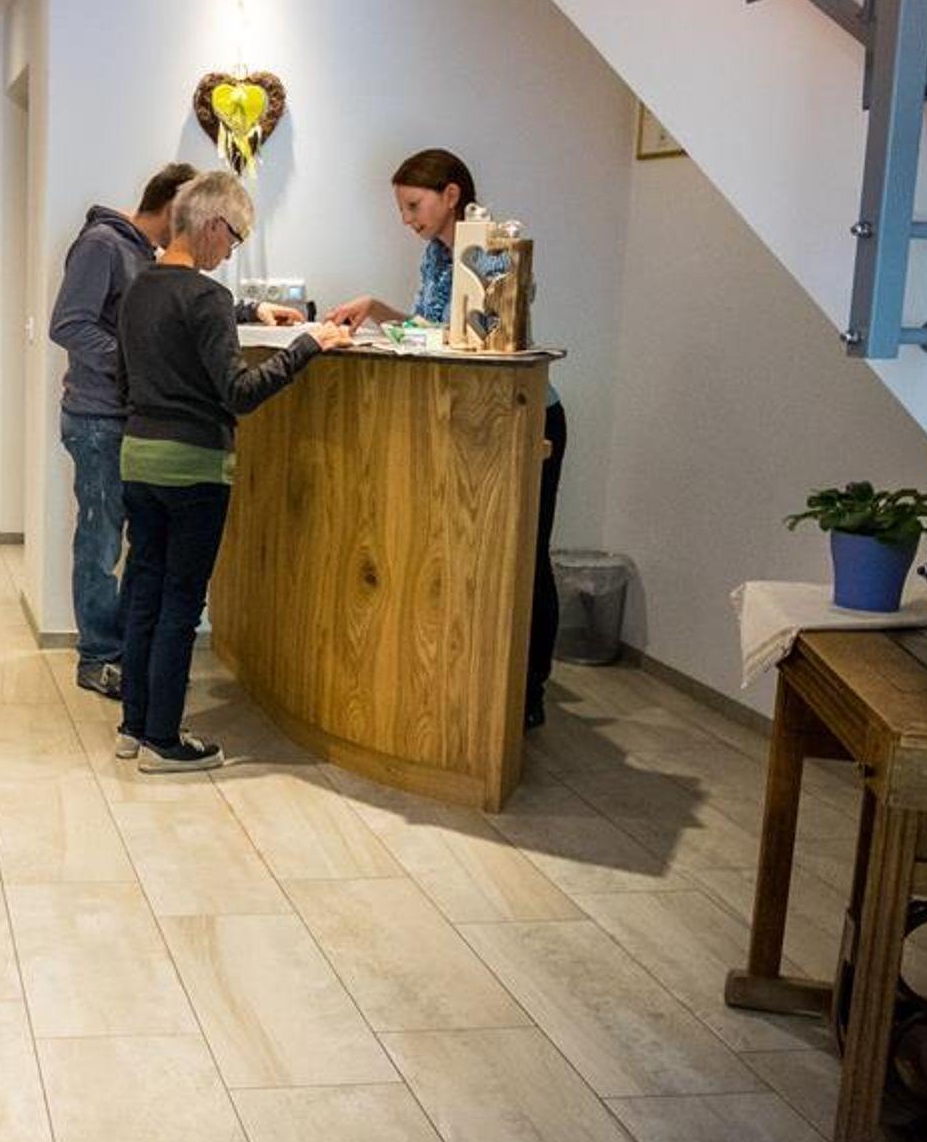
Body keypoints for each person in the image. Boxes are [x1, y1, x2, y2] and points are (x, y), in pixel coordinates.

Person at [116, 171, 350, 771]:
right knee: (180, 603)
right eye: (235, 237)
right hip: (194, 467)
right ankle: (164, 742)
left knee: (143, 593)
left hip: (138, 457)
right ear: (213, 225)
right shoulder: (206, 297)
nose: (230, 252)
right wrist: (307, 347)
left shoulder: (139, 287)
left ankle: (134, 726)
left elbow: (125, 379)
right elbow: (240, 392)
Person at [329, 148, 567, 727]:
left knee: (525, 554)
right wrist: (373, 308)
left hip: (526, 418)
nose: (406, 219)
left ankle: (529, 688)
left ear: (451, 195)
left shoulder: (493, 252)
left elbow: (481, 335)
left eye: (414, 205)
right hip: (469, 420)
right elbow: (429, 331)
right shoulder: (436, 256)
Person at [50, 164, 304, 700]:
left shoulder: (150, 260)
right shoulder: (102, 245)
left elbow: (175, 305)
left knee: (139, 559)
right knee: (101, 541)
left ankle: (131, 663)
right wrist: (139, 360)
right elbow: (68, 324)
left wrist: (253, 308)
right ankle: (99, 657)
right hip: (98, 416)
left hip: (133, 416)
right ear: (176, 208)